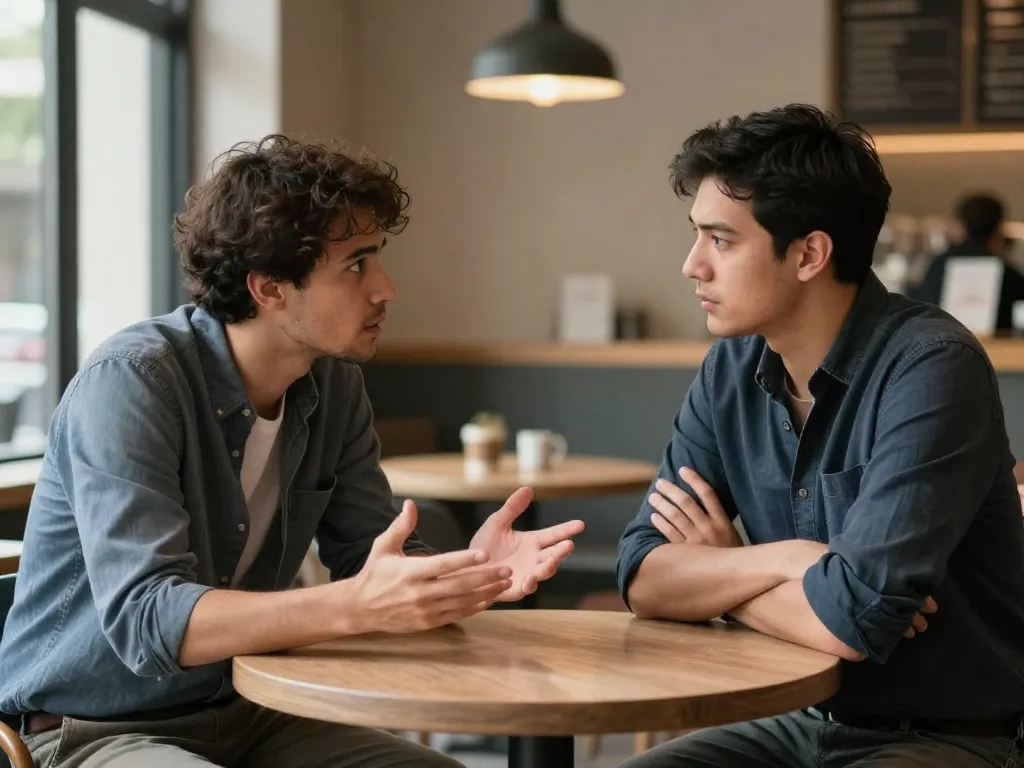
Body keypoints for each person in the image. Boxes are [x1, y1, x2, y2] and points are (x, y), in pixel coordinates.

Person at [0, 135, 584, 768]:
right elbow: (150, 623)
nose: (386, 288)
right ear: (269, 287)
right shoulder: (134, 381)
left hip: (251, 714)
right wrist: (355, 608)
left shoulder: (334, 385)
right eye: (357, 265)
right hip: (91, 730)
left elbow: (369, 558)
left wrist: (472, 572)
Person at [616, 105, 1024, 767]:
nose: (692, 266)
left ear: (809, 253)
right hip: (793, 723)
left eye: (720, 240)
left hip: (943, 738)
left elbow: (853, 620)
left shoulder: (932, 366)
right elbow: (643, 576)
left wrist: (723, 586)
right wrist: (792, 560)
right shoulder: (733, 365)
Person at [910, 192, 1024, 332]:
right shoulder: (1009, 276)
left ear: (960, 224)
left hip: (936, 347)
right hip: (999, 352)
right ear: (998, 228)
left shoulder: (938, 266)